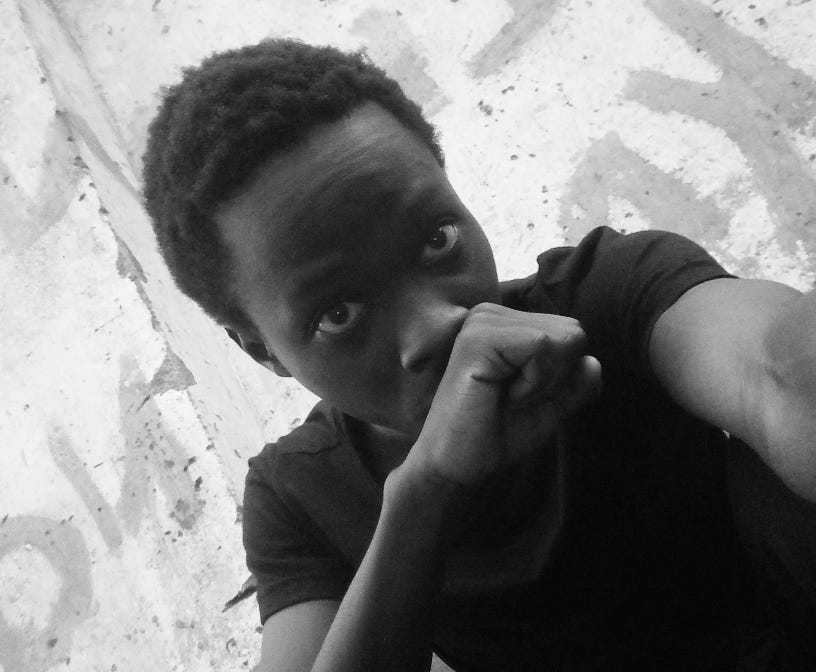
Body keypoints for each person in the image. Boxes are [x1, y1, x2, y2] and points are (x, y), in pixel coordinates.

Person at [142, 39, 816, 671]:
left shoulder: (606, 294)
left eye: (437, 239)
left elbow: (774, 371)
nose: (438, 324)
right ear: (263, 351)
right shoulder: (299, 496)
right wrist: (424, 496)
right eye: (338, 314)